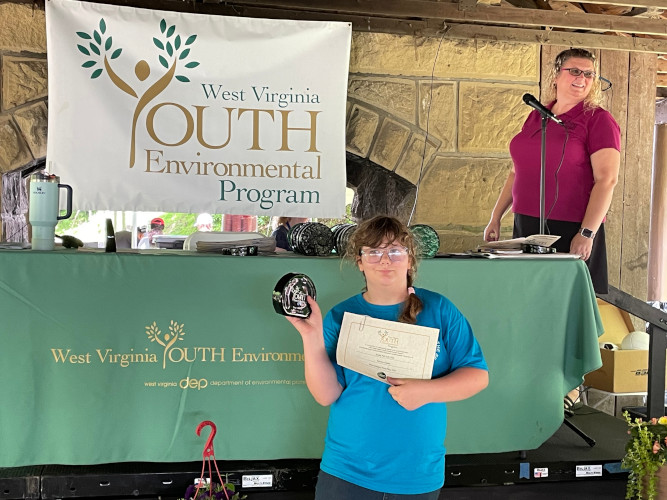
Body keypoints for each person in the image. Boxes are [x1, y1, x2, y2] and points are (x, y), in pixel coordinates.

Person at [285, 215, 489, 499]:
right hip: (347, 471)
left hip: (416, 473)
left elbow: (477, 375)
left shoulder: (440, 309)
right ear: (360, 261)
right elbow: (326, 394)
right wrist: (311, 336)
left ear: (410, 259)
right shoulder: (340, 315)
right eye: (373, 251)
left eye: (394, 250)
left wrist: (426, 391)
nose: (384, 260)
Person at [483, 48, 621, 294]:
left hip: (572, 228)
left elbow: (606, 180)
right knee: (527, 297)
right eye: (575, 71)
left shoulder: (598, 120)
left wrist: (586, 233)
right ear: (556, 75)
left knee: (564, 303)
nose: (582, 78)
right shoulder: (537, 115)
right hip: (526, 223)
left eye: (589, 74)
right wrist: (496, 216)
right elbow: (516, 172)